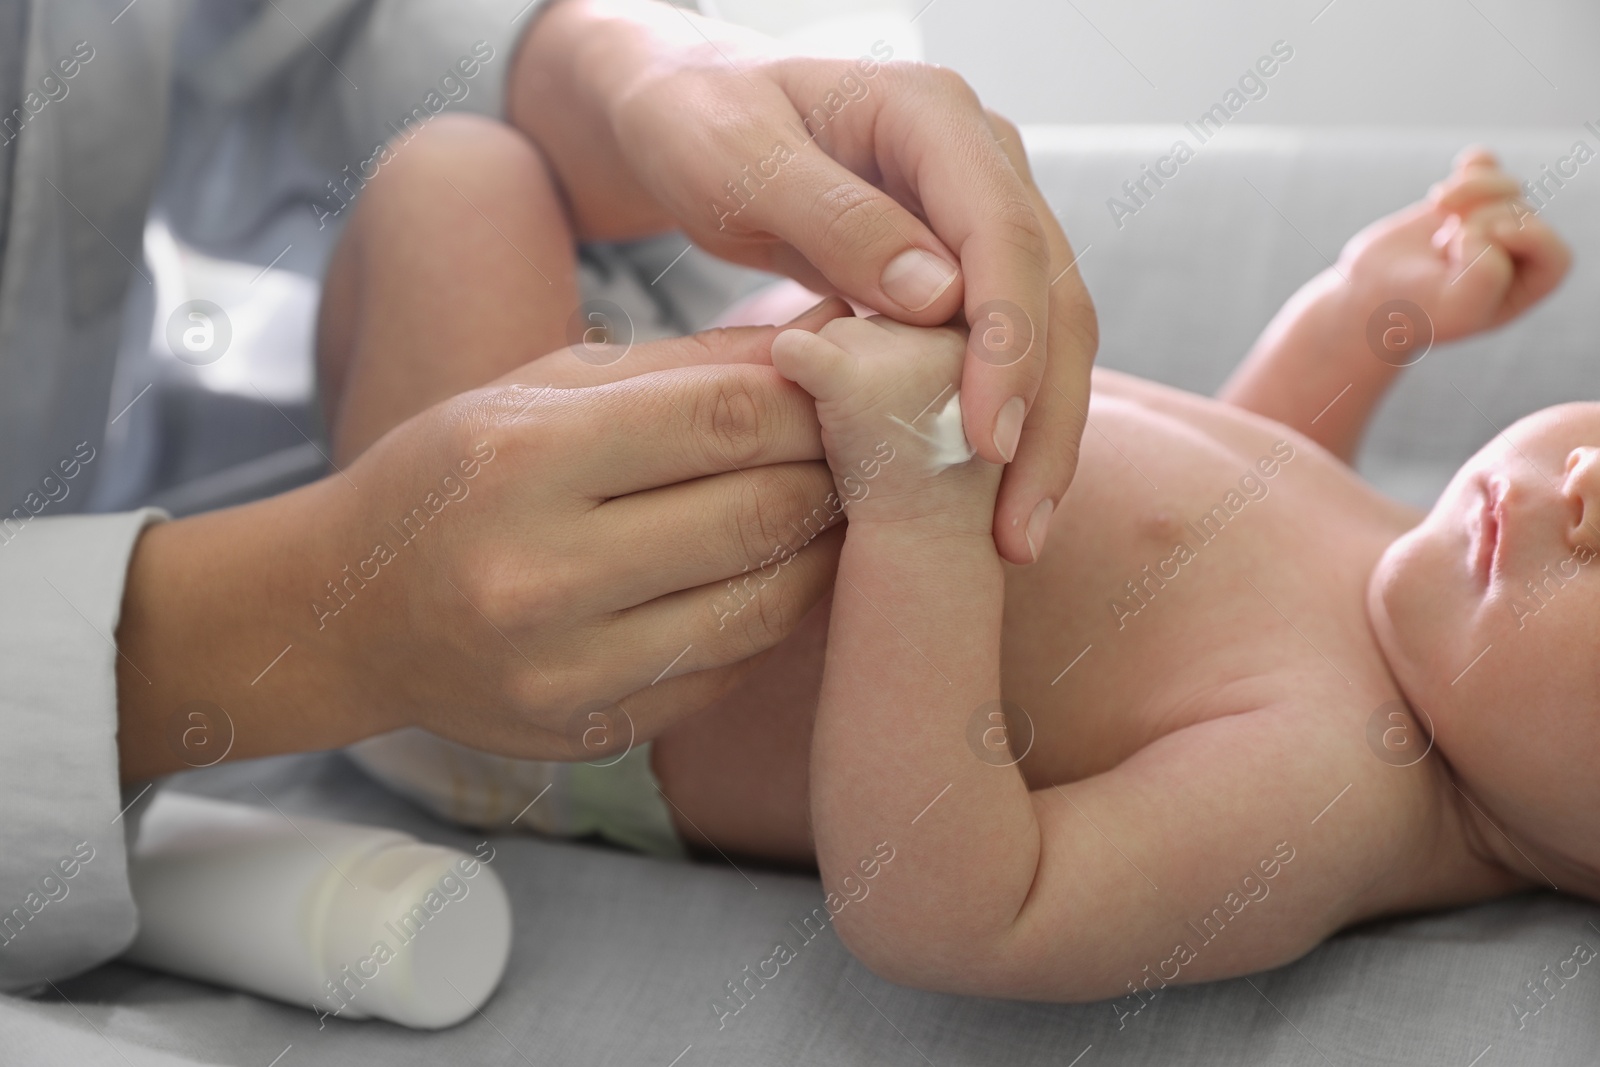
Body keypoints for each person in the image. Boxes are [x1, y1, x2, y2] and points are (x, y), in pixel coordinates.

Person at [317, 120, 1593, 1008]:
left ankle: (297, 581)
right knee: (501, 162)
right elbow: (1209, 530)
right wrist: (1355, 321)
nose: (1589, 493)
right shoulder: (1436, 593)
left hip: (536, 646)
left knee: (454, 174)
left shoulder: (1327, 793)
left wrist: (921, 512)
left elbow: (961, 911)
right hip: (627, 436)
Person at [0, 0, 1097, 992]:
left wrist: (625, 64)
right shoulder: (1276, 738)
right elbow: (954, 917)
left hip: (537, 546)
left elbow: (298, 33)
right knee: (456, 176)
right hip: (537, 690)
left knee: (458, 160)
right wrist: (929, 521)